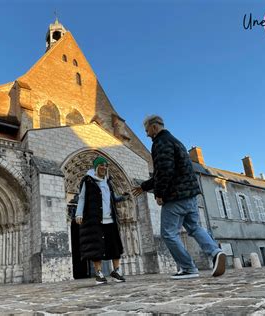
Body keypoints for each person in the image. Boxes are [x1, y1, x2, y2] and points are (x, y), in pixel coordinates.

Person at [132, 115, 226, 279]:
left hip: (175, 196)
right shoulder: (176, 141)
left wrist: (160, 194)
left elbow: (164, 171)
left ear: (154, 127)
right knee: (195, 227)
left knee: (168, 234)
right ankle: (215, 252)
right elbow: (173, 169)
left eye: (147, 130)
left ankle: (188, 268)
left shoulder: (160, 143)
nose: (147, 135)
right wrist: (143, 186)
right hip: (190, 195)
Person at [75, 156, 129, 284]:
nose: (104, 168)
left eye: (106, 165)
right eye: (101, 165)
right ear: (96, 167)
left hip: (110, 219)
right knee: (96, 246)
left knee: (114, 246)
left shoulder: (107, 182)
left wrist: (122, 198)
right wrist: (79, 213)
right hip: (95, 219)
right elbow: (82, 198)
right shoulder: (88, 181)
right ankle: (99, 274)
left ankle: (116, 271)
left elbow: (112, 198)